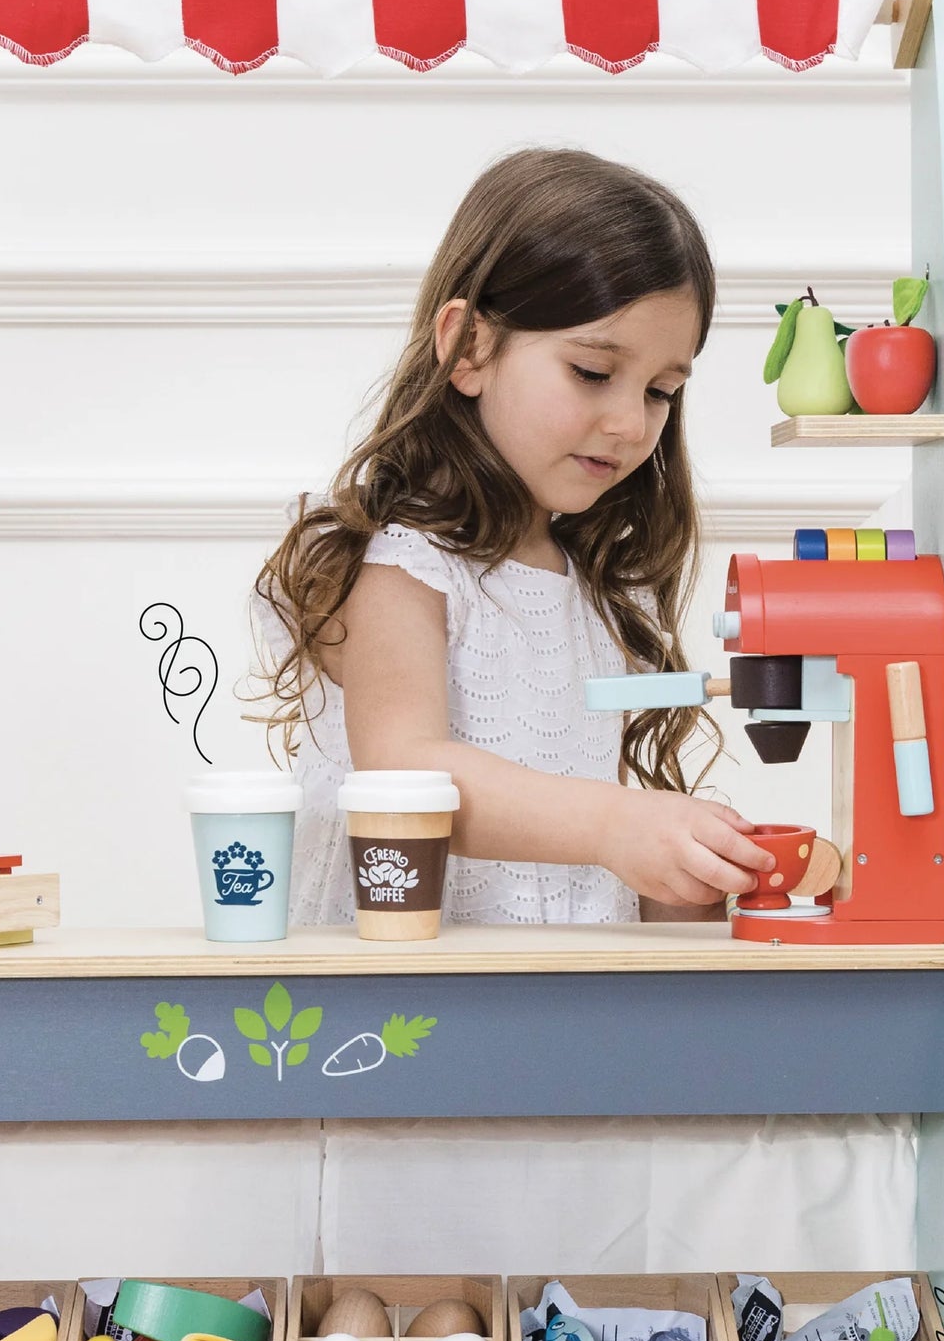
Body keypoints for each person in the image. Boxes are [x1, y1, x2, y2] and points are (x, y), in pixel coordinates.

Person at [252, 146, 774, 926]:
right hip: (412, 998)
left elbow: (583, 868)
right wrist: (613, 824)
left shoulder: (593, 585)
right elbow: (404, 770)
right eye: (594, 372)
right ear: (469, 347)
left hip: (557, 997)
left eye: (661, 392)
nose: (631, 424)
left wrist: (697, 872)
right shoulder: (403, 568)